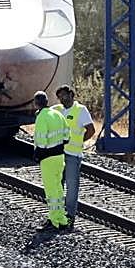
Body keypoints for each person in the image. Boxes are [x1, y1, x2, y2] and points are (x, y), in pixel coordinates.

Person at [53, 85, 95, 223]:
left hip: (73, 154)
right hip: (59, 154)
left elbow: (91, 130)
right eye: (59, 97)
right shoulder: (58, 110)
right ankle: (57, 214)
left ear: (71, 94)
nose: (62, 99)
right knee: (57, 186)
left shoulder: (80, 110)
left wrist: (80, 141)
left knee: (72, 187)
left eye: (64, 96)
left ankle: (70, 216)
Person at [32, 91, 70, 230]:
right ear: (47, 102)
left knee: (51, 191)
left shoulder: (42, 117)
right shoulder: (58, 114)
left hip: (47, 159)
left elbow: (41, 141)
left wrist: (37, 155)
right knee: (58, 189)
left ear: (36, 104)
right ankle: (62, 219)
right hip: (60, 157)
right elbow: (67, 136)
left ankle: (54, 222)